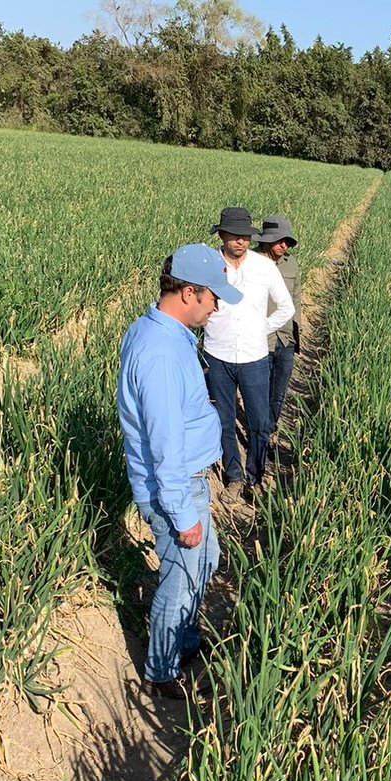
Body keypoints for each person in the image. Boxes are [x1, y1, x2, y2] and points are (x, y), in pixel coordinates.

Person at [117, 244, 242, 700]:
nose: (217, 307)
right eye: (214, 298)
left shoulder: (162, 332)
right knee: (182, 577)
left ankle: (185, 641)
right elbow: (164, 444)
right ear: (189, 293)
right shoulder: (161, 355)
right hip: (175, 487)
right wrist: (181, 513)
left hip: (187, 480)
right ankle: (162, 671)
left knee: (205, 561)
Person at [202, 207, 295, 505]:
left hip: (255, 357)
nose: (240, 241)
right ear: (222, 235)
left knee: (258, 420)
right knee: (224, 420)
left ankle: (255, 477)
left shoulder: (263, 267)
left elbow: (286, 308)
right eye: (234, 235)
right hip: (217, 355)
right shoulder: (209, 264)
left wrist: (261, 329)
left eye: (245, 236)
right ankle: (234, 477)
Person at [255, 214, 301, 440]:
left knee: (279, 391)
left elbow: (296, 299)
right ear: (265, 240)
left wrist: (296, 333)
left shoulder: (291, 263)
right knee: (259, 390)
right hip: (259, 339)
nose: (284, 245)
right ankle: (259, 431)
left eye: (288, 242)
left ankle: (270, 429)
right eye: (280, 240)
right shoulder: (251, 262)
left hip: (285, 338)